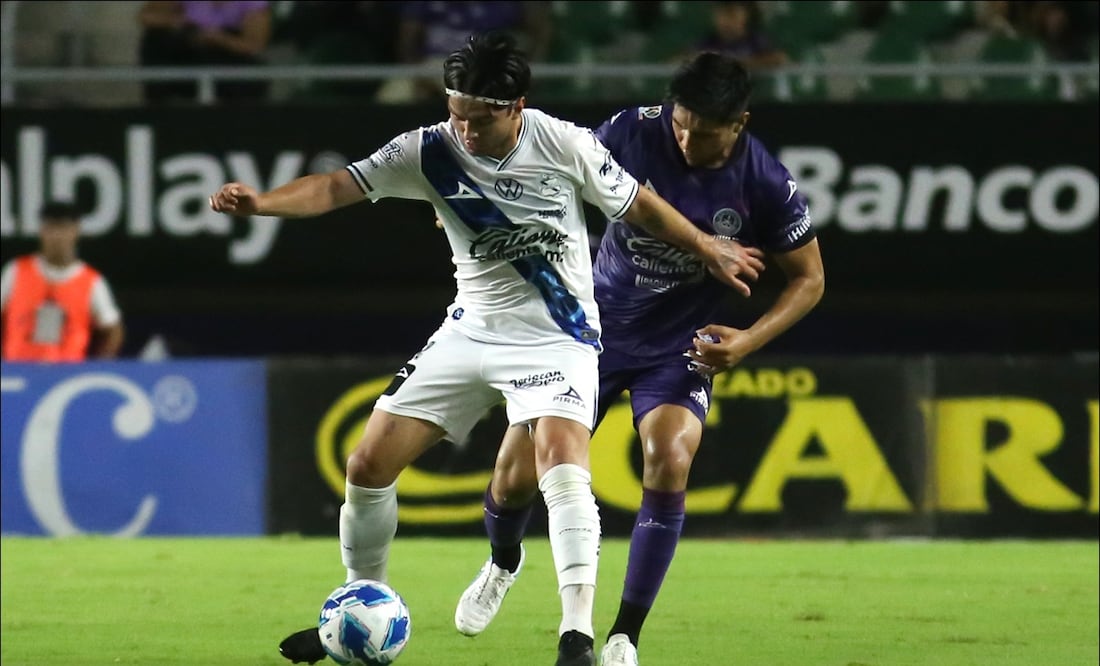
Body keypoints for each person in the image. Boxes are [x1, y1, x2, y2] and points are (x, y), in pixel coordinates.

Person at [208, 32, 764, 666]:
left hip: (559, 334)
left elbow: (643, 209)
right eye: (455, 113)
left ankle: (576, 637)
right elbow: (336, 187)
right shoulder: (428, 150)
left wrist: (707, 246)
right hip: (470, 328)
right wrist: (262, 204)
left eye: (478, 118)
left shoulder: (566, 144)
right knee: (365, 466)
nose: (464, 130)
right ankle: (360, 605)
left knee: (560, 465)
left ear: (515, 107)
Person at [452, 52, 824, 666]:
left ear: (739, 124)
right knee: (514, 474)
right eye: (680, 123)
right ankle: (502, 561)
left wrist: (747, 341)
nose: (685, 139)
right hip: (590, 331)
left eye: (703, 133)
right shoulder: (630, 131)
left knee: (670, 454)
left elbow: (809, 279)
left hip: (681, 346)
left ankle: (625, 634)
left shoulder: (764, 180)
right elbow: (554, 177)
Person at [1, 202, 125, 362]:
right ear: (42, 232)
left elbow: (113, 330)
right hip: (20, 370)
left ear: (75, 231)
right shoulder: (16, 271)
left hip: (66, 375)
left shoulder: (91, 281)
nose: (57, 236)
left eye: (63, 228)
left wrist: (97, 368)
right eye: (51, 228)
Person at [137, 1, 273, 104]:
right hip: (189, 48)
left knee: (251, 73)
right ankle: (159, 106)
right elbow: (146, 16)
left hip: (228, 51)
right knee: (156, 39)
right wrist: (179, 21)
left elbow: (254, 44)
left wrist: (218, 38)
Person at [690, 1, 789, 70]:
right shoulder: (709, 41)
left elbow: (780, 59)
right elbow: (686, 59)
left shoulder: (755, 41)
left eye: (732, 15)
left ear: (745, 17)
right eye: (721, 15)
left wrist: (738, 64)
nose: (726, 21)